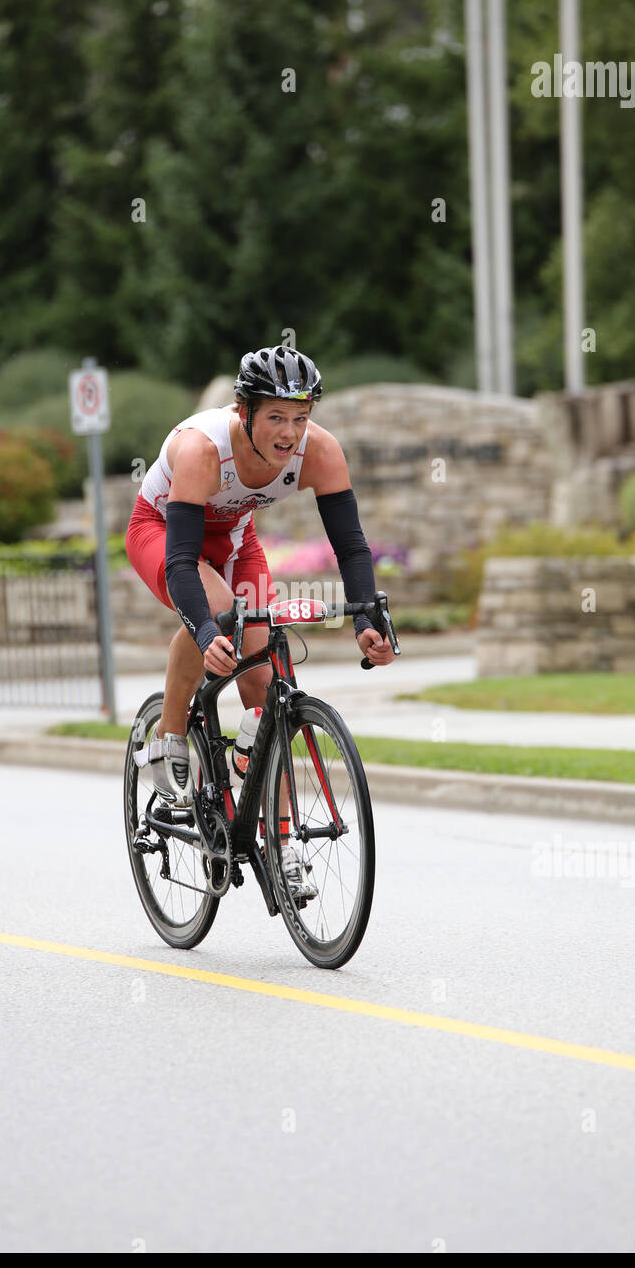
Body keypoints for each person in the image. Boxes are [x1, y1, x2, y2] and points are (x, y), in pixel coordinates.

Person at [125, 344, 395, 897]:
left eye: (300, 416)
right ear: (243, 412)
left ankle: (283, 839)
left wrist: (367, 617)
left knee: (268, 683)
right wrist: (204, 632)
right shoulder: (202, 448)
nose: (289, 432)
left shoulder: (320, 451)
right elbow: (180, 563)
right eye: (275, 416)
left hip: (234, 539)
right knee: (224, 614)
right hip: (164, 533)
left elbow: (350, 545)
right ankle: (169, 738)